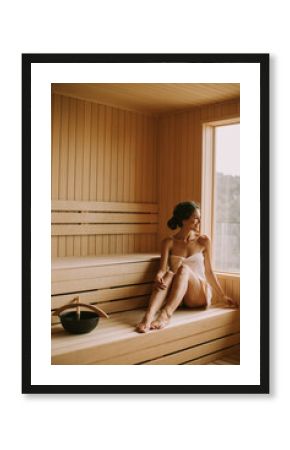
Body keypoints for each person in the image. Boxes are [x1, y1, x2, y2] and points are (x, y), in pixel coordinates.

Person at [135, 201, 239, 333]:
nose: (199, 221)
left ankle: (165, 315)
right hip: (180, 295)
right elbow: (162, 269)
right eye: (196, 218)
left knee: (182, 269)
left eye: (199, 218)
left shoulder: (203, 241)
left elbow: (209, 272)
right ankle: (147, 317)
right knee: (169, 273)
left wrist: (223, 296)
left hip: (199, 293)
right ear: (184, 220)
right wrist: (159, 275)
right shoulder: (168, 242)